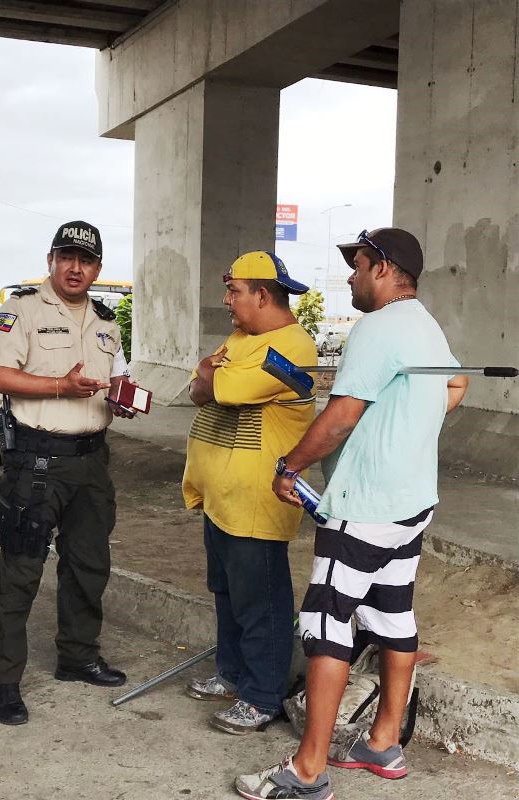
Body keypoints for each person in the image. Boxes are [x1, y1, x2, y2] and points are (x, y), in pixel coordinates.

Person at [235, 228, 468, 799]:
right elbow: (456, 384)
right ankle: (384, 742)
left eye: (358, 265)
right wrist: (406, 430)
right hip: (410, 504)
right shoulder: (424, 325)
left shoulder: (377, 325)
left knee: (325, 627)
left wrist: (289, 467)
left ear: (384, 268)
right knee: (393, 615)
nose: (350, 277)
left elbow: (341, 415)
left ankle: (308, 771)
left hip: (363, 508)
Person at [0, 220, 134, 726]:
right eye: (67, 257)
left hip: (91, 462)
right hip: (36, 463)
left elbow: (117, 381)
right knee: (21, 570)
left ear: (97, 269)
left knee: (89, 565)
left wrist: (124, 401)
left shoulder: (108, 323)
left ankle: (78, 656)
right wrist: (59, 387)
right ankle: (3, 682)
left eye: (86, 261)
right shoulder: (21, 310)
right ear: (51, 259)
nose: (75, 267)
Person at [182, 251, 318, 734]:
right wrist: (208, 376)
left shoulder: (294, 347)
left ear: (262, 294)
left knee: (261, 599)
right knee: (227, 592)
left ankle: (263, 695)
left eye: (234, 290)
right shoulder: (242, 339)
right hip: (221, 497)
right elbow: (198, 389)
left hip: (258, 499)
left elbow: (225, 389)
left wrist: (209, 374)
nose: (227, 300)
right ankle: (233, 673)